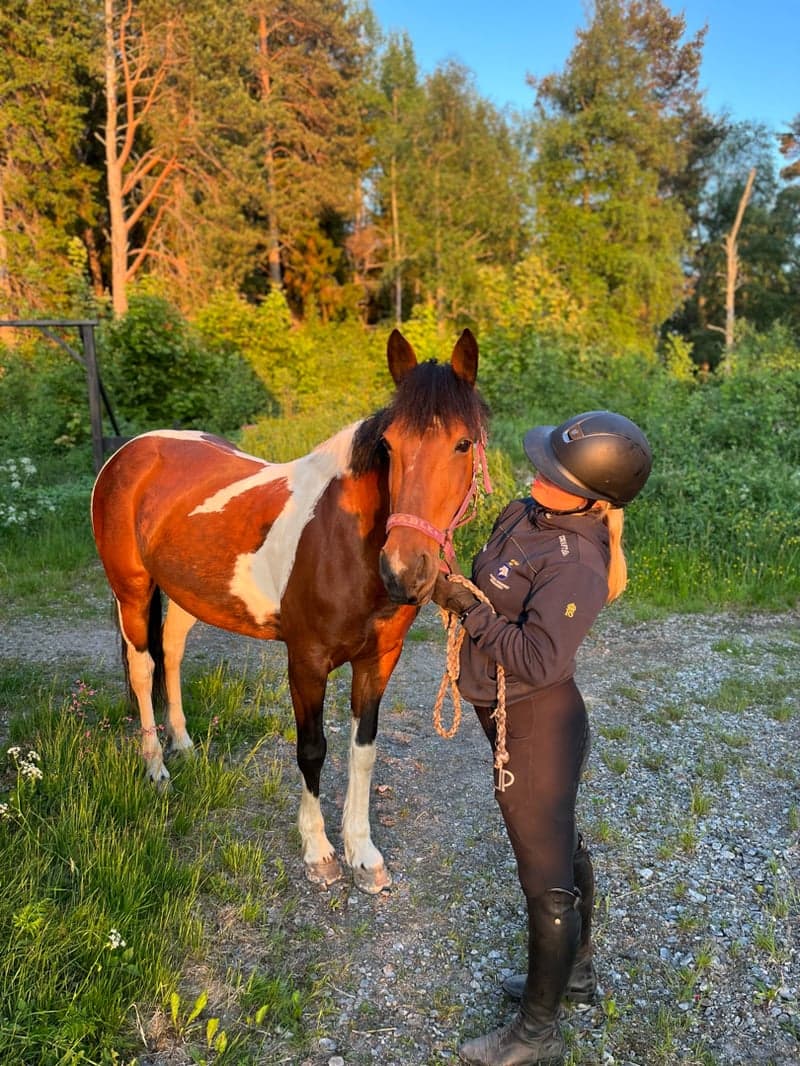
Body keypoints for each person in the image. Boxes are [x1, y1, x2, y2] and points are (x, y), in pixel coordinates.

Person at [432, 410, 652, 1066]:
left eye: (555, 472)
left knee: (544, 873)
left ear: (593, 495)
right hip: (508, 713)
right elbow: (494, 588)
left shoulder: (579, 557)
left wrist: (470, 612)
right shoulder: (528, 513)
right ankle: (574, 975)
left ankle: (536, 1032)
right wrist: (454, 587)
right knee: (559, 843)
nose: (537, 474)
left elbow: (537, 658)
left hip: (536, 723)